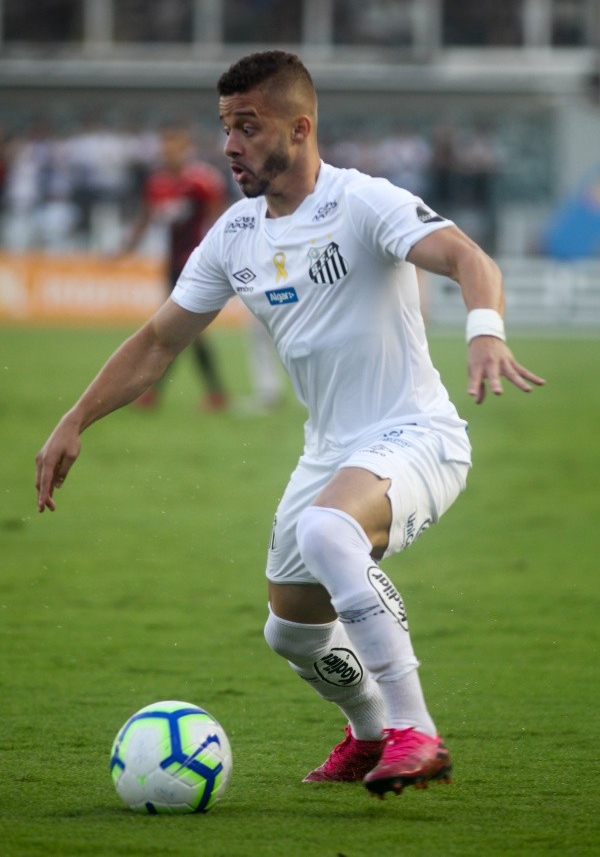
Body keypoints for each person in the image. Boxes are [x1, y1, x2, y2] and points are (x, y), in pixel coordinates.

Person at [35, 51, 545, 799]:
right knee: (292, 629)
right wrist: (74, 419)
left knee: (327, 530)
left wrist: (485, 332)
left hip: (418, 436)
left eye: (248, 127)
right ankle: (369, 732)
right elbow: (157, 343)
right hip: (329, 453)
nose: (230, 145)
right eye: (225, 128)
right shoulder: (235, 235)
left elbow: (468, 257)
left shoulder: (362, 202)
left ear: (300, 129)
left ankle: (416, 731)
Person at [117, 123, 230, 410]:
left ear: (186, 148)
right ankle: (214, 393)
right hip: (172, 266)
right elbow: (145, 219)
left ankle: (156, 392)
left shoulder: (202, 181)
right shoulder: (157, 183)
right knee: (179, 331)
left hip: (197, 265)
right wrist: (126, 250)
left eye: (175, 146)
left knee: (175, 330)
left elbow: (220, 221)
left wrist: (220, 258)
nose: (169, 151)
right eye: (166, 146)